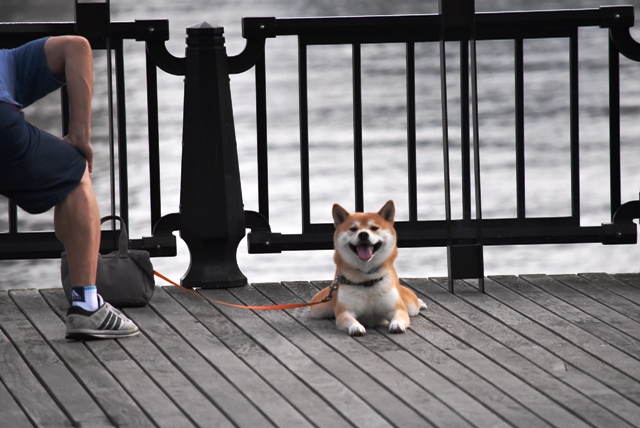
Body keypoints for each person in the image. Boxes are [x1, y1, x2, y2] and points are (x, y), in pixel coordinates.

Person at [0, 36, 138, 340]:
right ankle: (88, 306)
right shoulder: (7, 60)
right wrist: (80, 138)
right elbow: (78, 47)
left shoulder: (11, 62)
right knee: (73, 172)